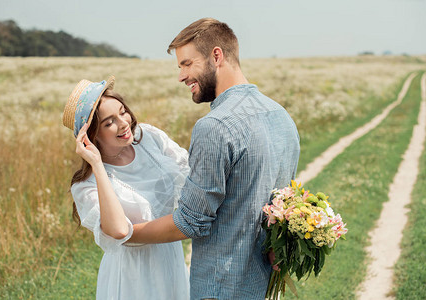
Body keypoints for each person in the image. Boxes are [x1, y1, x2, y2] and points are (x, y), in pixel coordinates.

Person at [127, 18, 301, 299]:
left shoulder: (215, 126)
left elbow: (191, 221)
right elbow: (285, 203)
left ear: (216, 56)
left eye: (186, 64)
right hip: (265, 286)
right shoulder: (281, 116)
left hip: (222, 286)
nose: (181, 76)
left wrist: (126, 234)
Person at [62, 76, 190, 300]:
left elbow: (190, 172)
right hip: (134, 276)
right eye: (108, 122)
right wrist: (98, 165)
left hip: (172, 257)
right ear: (91, 135)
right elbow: (120, 231)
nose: (123, 123)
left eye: (122, 111)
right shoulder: (86, 186)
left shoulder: (148, 137)